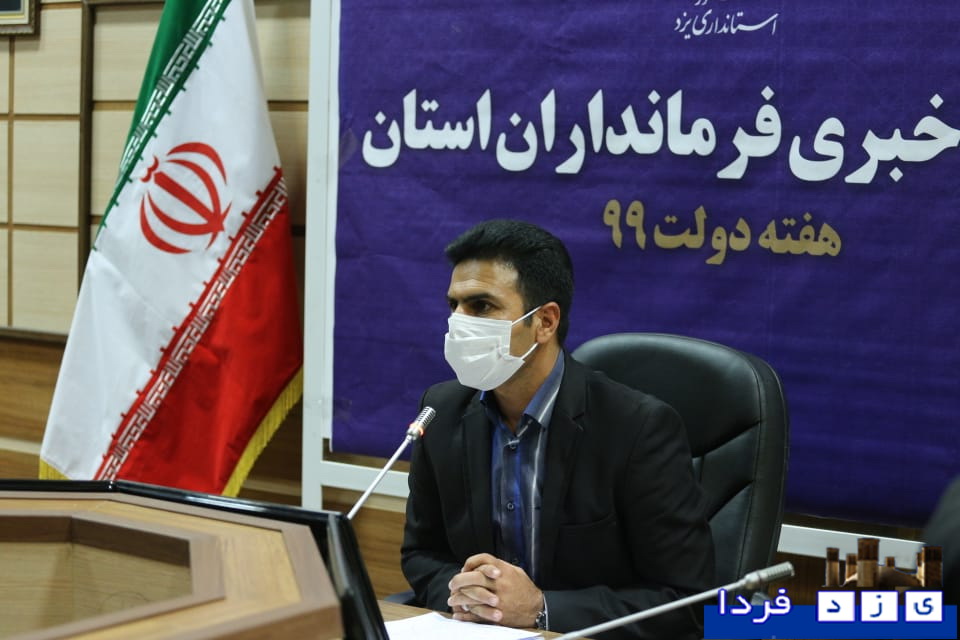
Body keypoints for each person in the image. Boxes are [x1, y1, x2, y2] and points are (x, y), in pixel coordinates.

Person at [401, 219, 715, 639]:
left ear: (545, 322)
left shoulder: (639, 428)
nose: (458, 323)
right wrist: (468, 595)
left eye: (481, 307)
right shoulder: (441, 410)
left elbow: (687, 601)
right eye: (454, 305)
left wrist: (541, 609)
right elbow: (422, 552)